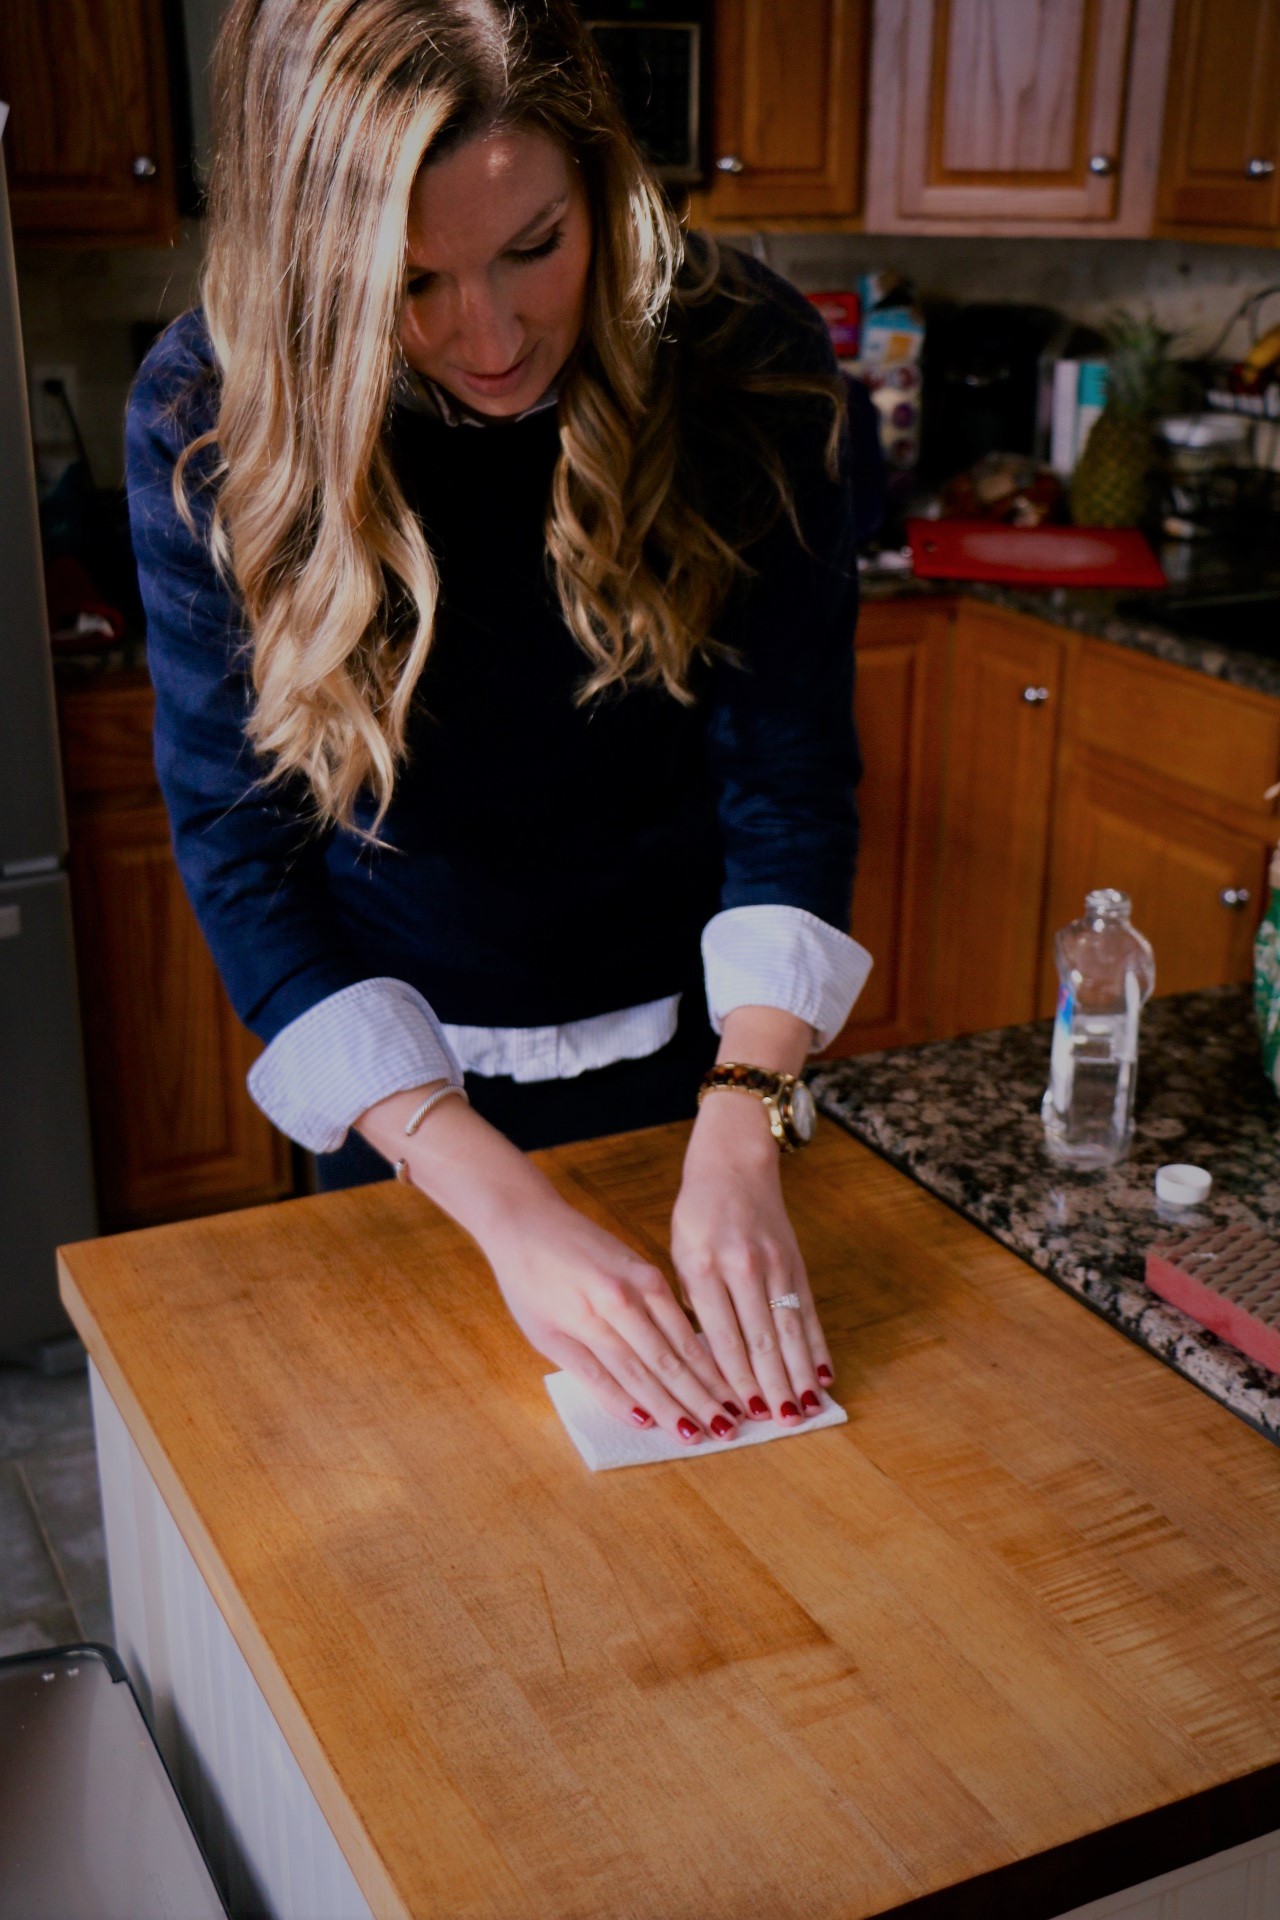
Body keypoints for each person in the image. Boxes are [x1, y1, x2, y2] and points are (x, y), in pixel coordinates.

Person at [126, 0, 871, 1452]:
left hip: (702, 1058)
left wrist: (743, 1114)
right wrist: (505, 1203)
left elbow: (787, 782)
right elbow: (241, 853)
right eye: (415, 284)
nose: (494, 335)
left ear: (599, 178)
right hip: (410, 1100)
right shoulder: (215, 409)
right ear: (320, 274)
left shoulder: (738, 358)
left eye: (537, 245)